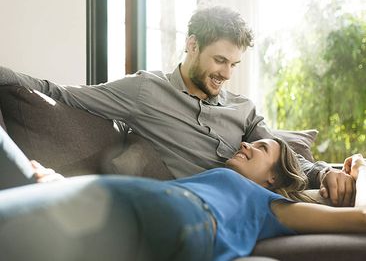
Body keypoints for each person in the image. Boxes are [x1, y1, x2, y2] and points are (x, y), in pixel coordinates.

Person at [0, 4, 354, 206]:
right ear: (192, 45)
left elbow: (283, 156)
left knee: (352, 180)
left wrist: (325, 171)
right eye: (220, 61)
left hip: (269, 198)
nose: (226, 74)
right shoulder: (145, 91)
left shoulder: (243, 108)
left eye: (234, 65)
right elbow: (60, 92)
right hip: (205, 206)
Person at [0, 125, 365, 261]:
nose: (247, 146)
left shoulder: (270, 205)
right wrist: (63, 183)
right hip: (138, 207)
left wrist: (359, 168)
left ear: (272, 179)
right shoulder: (207, 177)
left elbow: (360, 218)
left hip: (176, 216)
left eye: (262, 149)